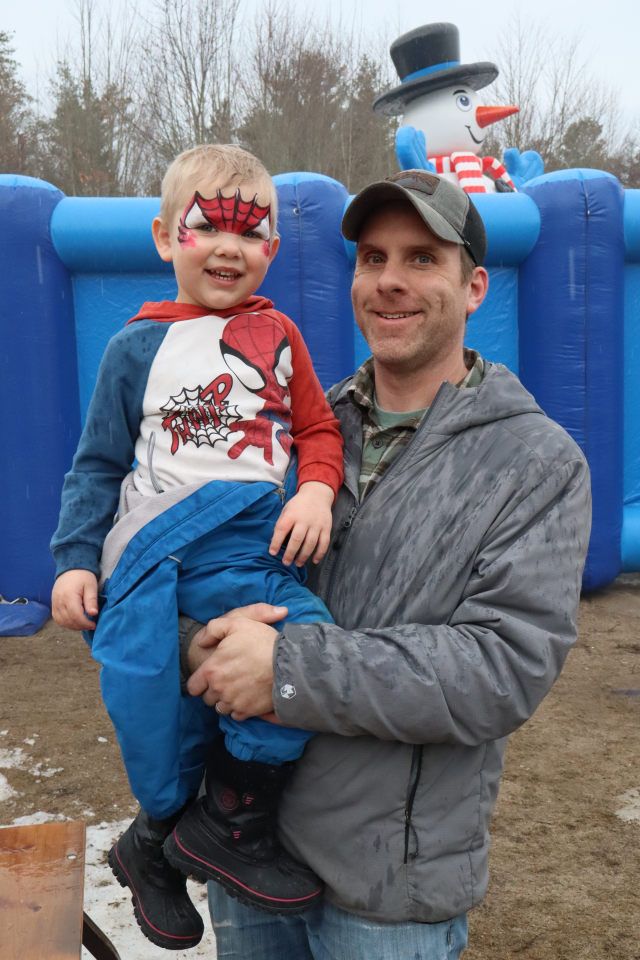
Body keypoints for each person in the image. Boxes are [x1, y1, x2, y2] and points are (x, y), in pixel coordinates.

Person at [178, 169, 592, 960]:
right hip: (251, 850)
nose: (390, 282)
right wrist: (199, 644)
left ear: (473, 287)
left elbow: (500, 669)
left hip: (391, 890)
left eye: (420, 259)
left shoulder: (536, 463)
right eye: (372, 258)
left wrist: (288, 668)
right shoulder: (295, 431)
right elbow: (210, 563)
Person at [49, 144, 346, 950]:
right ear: (162, 236)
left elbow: (318, 428)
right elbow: (98, 466)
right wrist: (76, 558)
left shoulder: (279, 334)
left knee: (306, 661)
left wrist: (316, 486)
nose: (228, 246)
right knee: (265, 676)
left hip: (260, 548)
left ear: (273, 250)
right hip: (172, 555)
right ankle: (216, 829)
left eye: (251, 232)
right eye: (205, 225)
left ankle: (172, 842)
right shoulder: (134, 350)